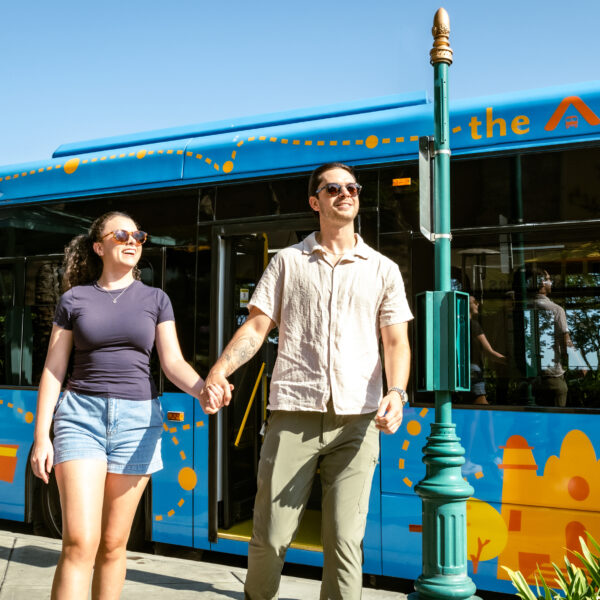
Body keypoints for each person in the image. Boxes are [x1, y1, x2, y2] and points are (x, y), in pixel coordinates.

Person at [200, 162, 413, 600]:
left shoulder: (382, 269)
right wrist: (219, 370)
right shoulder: (287, 263)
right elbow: (257, 328)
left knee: (345, 543)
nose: (345, 193)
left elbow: (396, 341)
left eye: (351, 187)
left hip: (358, 421)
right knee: (272, 537)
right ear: (315, 201)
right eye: (333, 188)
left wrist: (396, 390)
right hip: (293, 415)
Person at [30, 211, 222, 600]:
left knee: (115, 545)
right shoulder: (74, 299)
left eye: (138, 234)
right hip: (80, 417)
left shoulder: (156, 299)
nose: (132, 240)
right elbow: (54, 367)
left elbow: (172, 363)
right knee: (80, 542)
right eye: (121, 234)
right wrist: (41, 436)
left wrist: (203, 389)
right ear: (100, 247)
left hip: (138, 421)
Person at [529, 267, 572, 406]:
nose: (551, 282)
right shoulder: (556, 309)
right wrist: (578, 363)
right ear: (541, 283)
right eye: (548, 279)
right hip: (552, 377)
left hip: (532, 379)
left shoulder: (524, 306)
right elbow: (565, 340)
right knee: (556, 423)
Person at [468, 295, 505, 405]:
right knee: (481, 406)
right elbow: (489, 352)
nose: (477, 304)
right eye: (475, 301)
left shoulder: (458, 324)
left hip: (465, 370)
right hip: (474, 370)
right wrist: (509, 361)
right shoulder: (473, 325)